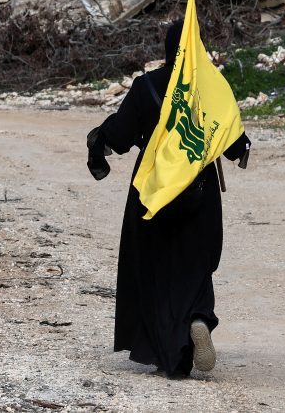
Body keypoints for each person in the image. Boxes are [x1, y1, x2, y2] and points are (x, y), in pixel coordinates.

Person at [86, 21, 251, 379]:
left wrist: (100, 141)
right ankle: (198, 318)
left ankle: (171, 357)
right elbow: (235, 138)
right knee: (194, 263)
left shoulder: (146, 86)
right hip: (199, 190)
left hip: (155, 188)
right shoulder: (209, 87)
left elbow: (121, 135)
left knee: (156, 267)